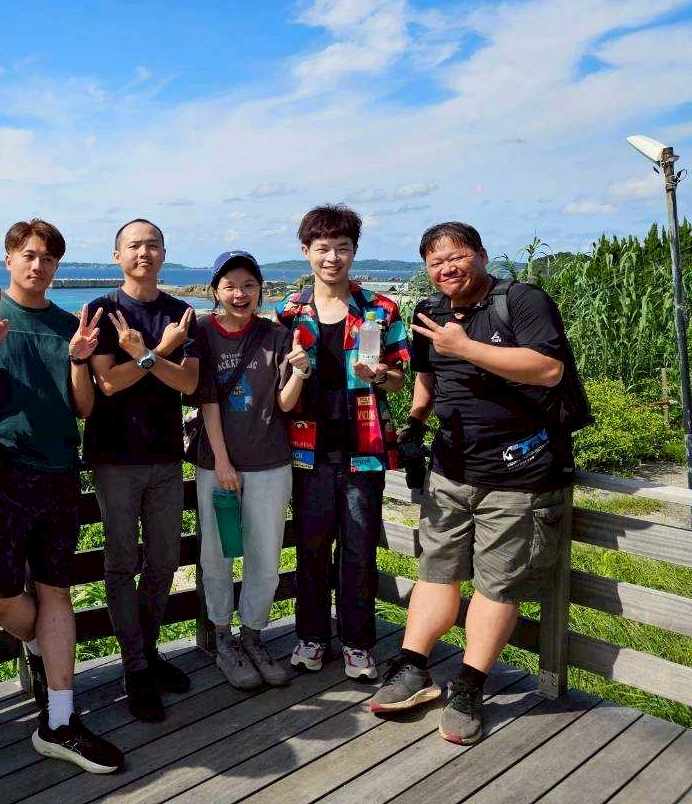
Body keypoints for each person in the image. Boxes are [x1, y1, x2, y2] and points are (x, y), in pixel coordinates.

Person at [370, 222, 570, 745]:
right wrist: (415, 423)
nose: (447, 269)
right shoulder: (429, 313)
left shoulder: (522, 301)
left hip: (519, 474)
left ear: (480, 254)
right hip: (450, 468)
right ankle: (413, 666)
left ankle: (468, 685)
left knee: (497, 583)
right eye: (435, 263)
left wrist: (465, 346)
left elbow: (547, 369)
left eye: (456, 257)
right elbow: (427, 377)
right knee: (436, 570)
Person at [0, 219, 124, 774]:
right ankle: (43, 651)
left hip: (60, 473)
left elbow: (85, 408)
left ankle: (60, 718)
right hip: (1, 474)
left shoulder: (69, 325)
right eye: (28, 255)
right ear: (9, 259)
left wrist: (78, 359)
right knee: (3, 596)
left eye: (48, 258)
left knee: (56, 591)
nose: (38, 266)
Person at [275, 204, 410, 682]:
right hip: (306, 450)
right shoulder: (288, 311)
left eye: (342, 248)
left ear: (354, 251)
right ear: (305, 251)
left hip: (363, 449)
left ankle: (357, 643)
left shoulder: (381, 309)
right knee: (310, 548)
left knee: (359, 549)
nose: (332, 257)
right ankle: (311, 637)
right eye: (323, 248)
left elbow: (399, 379)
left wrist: (382, 375)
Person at [85, 218, 199, 722]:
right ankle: (134, 667)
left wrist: (147, 356)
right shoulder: (101, 311)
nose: (144, 253)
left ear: (165, 252)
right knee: (120, 562)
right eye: (134, 246)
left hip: (166, 456)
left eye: (153, 245)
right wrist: (162, 352)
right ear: (117, 255)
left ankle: (147, 652)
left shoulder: (181, 313)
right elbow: (109, 383)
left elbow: (189, 385)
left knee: (165, 560)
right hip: (115, 457)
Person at [186, 251, 309, 689]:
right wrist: (222, 461)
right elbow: (207, 400)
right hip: (216, 464)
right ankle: (224, 638)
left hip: (271, 462)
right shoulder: (201, 331)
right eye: (231, 286)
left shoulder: (277, 334)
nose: (240, 294)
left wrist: (301, 372)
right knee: (216, 554)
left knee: (265, 556)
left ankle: (253, 636)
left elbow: (285, 404)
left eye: (249, 286)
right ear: (215, 291)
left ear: (261, 290)